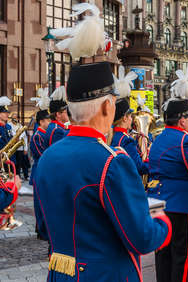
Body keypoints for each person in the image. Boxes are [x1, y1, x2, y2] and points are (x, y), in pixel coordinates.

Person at [35, 61, 171, 282]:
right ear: (108, 106)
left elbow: (43, 228)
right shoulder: (112, 161)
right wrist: (163, 220)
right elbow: (142, 239)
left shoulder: (47, 158)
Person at [148, 69, 188, 282]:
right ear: (182, 120)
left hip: (157, 204)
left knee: (162, 256)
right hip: (184, 207)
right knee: (185, 261)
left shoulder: (158, 139)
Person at [29, 108, 51, 240]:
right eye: (47, 120)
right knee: (39, 202)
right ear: (41, 122)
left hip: (43, 170)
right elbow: (41, 154)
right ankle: (40, 229)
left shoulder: (46, 134)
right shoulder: (38, 135)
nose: (49, 122)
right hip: (39, 171)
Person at [0, 97, 15, 162]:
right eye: (4, 112)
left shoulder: (9, 127)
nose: (7, 114)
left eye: (7, 112)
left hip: (9, 157)